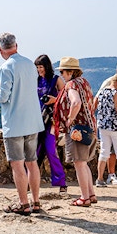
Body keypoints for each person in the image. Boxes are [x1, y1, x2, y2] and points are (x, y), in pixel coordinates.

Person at [0, 33, 44, 215]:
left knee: (18, 165)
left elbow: (3, 97)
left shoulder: (5, 67)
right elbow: (23, 89)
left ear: (0, 49)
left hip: (15, 124)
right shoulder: (30, 65)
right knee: (32, 163)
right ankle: (36, 202)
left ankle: (23, 203)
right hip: (33, 121)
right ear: (16, 45)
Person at [53, 57, 97, 207]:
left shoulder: (71, 84)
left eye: (63, 72)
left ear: (70, 72)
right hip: (90, 127)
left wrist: (70, 119)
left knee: (78, 163)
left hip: (78, 129)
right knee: (84, 163)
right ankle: (91, 194)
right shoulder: (84, 82)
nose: (62, 75)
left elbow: (76, 102)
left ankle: (84, 197)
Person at [34, 54, 67, 193]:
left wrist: (55, 100)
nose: (39, 70)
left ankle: (61, 182)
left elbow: (66, 97)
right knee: (34, 152)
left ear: (47, 66)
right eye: (37, 67)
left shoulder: (56, 80)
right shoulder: (35, 80)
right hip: (36, 119)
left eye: (41, 67)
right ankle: (32, 181)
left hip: (51, 120)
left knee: (50, 150)